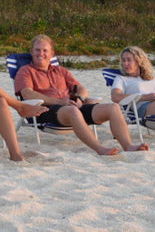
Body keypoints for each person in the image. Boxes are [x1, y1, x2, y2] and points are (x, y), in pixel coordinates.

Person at [12, 34, 147, 155]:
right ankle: (99, 149)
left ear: (52, 53)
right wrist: (60, 102)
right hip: (44, 110)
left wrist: (79, 99)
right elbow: (27, 94)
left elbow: (81, 88)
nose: (41, 53)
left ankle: (128, 146)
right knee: (73, 110)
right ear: (31, 52)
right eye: (37, 50)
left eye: (45, 50)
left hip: (71, 106)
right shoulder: (25, 71)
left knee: (113, 108)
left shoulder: (61, 71)